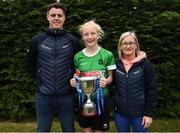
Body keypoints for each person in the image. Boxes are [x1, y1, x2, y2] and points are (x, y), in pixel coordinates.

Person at [26, 3, 81, 132]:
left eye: (59, 15)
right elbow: (30, 65)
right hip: (44, 95)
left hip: (66, 96)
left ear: (64, 18)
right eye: (53, 15)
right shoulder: (37, 40)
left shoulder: (73, 41)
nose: (56, 18)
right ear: (47, 17)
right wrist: (40, 80)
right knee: (42, 130)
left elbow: (78, 66)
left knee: (69, 130)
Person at [70, 20, 116, 132]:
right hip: (84, 100)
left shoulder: (107, 55)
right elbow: (77, 75)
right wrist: (74, 81)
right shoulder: (78, 57)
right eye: (86, 34)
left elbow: (111, 78)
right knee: (87, 129)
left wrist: (106, 81)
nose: (90, 37)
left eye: (93, 33)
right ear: (82, 36)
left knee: (100, 130)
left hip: (102, 100)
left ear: (98, 34)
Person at [113, 31, 158, 132]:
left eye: (131, 43)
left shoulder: (145, 64)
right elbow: (109, 81)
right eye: (124, 43)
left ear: (136, 45)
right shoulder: (116, 64)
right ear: (120, 46)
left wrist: (149, 114)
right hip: (120, 114)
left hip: (140, 114)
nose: (128, 46)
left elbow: (152, 89)